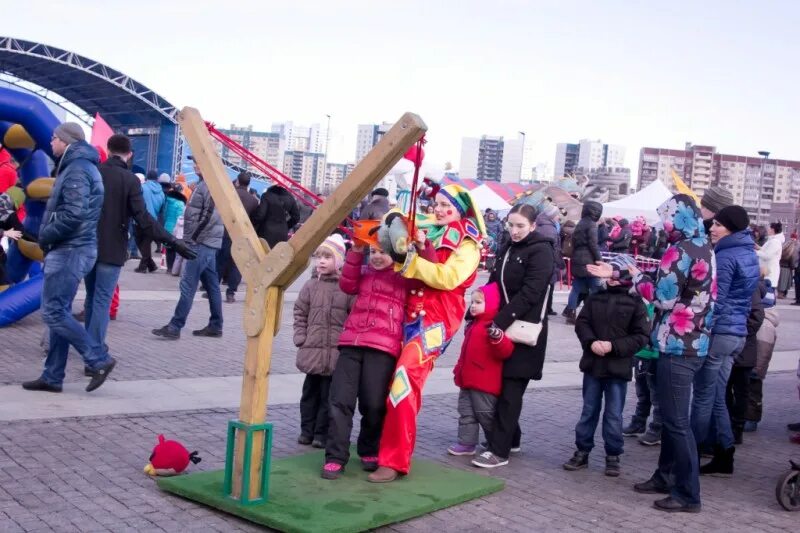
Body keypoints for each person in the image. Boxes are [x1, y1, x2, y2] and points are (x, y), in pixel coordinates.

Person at [588, 194, 715, 513]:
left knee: (675, 422)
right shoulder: (703, 245)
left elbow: (662, 297)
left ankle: (688, 493)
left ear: (679, 218)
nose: (664, 223)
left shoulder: (681, 249)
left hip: (677, 344)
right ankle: (665, 476)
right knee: (675, 419)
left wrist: (632, 274)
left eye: (668, 217)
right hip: (695, 342)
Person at [368, 184, 486, 482]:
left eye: (447, 206)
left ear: (460, 209)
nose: (440, 210)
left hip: (436, 319)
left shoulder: (469, 243)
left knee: (404, 379)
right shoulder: (429, 228)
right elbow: (395, 215)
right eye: (437, 204)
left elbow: (448, 278)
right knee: (383, 380)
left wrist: (411, 260)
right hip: (405, 312)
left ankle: (394, 461)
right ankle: (376, 449)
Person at [22, 122, 116, 393]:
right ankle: (52, 376)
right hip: (75, 248)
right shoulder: (82, 166)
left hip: (70, 249)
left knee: (52, 311)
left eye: (54, 138)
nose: (51, 143)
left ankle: (98, 359)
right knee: (59, 311)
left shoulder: (76, 168)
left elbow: (73, 213)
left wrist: (46, 234)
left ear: (66, 141)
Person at [86, 134, 194, 362]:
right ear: (130, 154)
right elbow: (144, 219)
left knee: (91, 297)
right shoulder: (130, 180)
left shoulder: (94, 172)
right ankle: (93, 353)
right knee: (101, 301)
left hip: (88, 245)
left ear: (108, 149)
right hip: (113, 248)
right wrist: (173, 242)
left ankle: (89, 346)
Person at [472, 204, 554, 469]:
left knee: (511, 389)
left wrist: (499, 320)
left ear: (532, 226)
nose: (515, 231)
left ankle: (500, 449)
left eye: (521, 226)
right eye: (511, 225)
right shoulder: (508, 246)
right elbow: (495, 281)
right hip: (504, 327)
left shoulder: (542, 250)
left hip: (524, 330)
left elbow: (532, 292)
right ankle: (510, 438)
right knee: (503, 386)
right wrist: (476, 307)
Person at [322, 243, 408, 479]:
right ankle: (335, 457)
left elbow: (426, 275)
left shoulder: (404, 275)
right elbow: (347, 283)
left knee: (373, 403)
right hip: (352, 343)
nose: (377, 257)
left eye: (383, 252)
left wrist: (420, 246)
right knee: (340, 400)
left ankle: (369, 448)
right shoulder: (364, 274)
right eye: (374, 252)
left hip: (382, 347)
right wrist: (357, 252)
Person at [564, 257, 649, 476]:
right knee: (589, 410)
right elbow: (582, 323)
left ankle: (613, 454)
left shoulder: (635, 302)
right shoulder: (595, 298)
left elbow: (641, 336)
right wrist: (591, 342)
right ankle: (582, 450)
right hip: (593, 364)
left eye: (614, 273)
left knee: (613, 414)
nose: (610, 278)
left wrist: (614, 347)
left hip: (618, 367)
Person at [693, 205, 759, 477]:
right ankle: (725, 453)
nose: (712, 228)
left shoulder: (726, 256)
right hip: (737, 334)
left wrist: (700, 323)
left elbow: (717, 299)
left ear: (731, 227)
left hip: (721, 333)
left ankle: (689, 454)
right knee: (718, 395)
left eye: (718, 224)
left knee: (703, 397)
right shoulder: (747, 252)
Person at [151, 159, 224, 340]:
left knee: (188, 284)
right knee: (211, 284)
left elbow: (209, 217)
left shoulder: (210, 186)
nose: (195, 166)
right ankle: (216, 324)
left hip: (201, 242)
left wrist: (192, 239)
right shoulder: (208, 184)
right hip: (207, 242)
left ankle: (175, 326)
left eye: (199, 162)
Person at [293, 234, 351, 449]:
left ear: (339, 261)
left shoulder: (346, 287)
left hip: (335, 352)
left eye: (327, 257)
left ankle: (321, 432)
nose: (321, 261)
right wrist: (301, 336)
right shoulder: (310, 286)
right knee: (309, 394)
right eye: (319, 257)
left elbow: (352, 313)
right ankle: (306, 430)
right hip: (312, 350)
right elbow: (300, 311)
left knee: (329, 396)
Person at [447, 283, 514, 457]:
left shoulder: (493, 326)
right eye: (472, 302)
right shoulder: (473, 325)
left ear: (491, 304)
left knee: (486, 415)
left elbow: (505, 351)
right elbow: (465, 351)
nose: (473, 306)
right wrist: (458, 369)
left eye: (478, 302)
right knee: (466, 413)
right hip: (467, 379)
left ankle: (496, 443)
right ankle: (466, 443)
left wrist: (498, 339)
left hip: (484, 383)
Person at [726, 286, 764, 445]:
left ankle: (737, 428)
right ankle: (727, 426)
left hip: (743, 348)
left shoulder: (750, 286)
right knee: (724, 390)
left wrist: (738, 330)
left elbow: (757, 315)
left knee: (741, 391)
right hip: (731, 346)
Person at [622, 303, 662, 446]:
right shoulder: (644, 303)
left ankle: (657, 428)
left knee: (656, 395)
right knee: (642, 392)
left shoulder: (662, 304)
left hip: (656, 355)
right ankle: (639, 422)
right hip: (641, 353)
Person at [217, 172, 259, 303]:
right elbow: (254, 219)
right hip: (242, 234)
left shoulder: (231, 194)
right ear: (249, 183)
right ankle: (231, 292)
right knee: (237, 264)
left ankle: (213, 289)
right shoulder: (253, 200)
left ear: (237, 182)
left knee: (221, 260)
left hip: (227, 231)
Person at [745, 270, 778, 432]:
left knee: (754, 383)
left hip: (759, 344)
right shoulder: (764, 289)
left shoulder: (764, 325)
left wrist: (757, 369)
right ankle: (749, 416)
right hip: (758, 343)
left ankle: (751, 418)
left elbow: (763, 352)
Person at [563, 201, 603, 323]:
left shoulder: (580, 223)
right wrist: (599, 259)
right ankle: (592, 314)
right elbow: (593, 244)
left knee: (577, 288)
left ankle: (570, 312)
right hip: (588, 259)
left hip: (577, 258)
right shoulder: (591, 224)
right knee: (596, 288)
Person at [535, 204, 565, 316]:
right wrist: (560, 262)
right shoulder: (549, 229)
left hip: (541, 260)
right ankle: (546, 308)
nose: (558, 217)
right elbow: (554, 248)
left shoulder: (541, 224)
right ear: (552, 216)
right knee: (548, 286)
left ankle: (546, 307)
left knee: (544, 285)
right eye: (557, 214)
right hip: (548, 261)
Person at [134, 170, 166, 273]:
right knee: (146, 243)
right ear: (157, 179)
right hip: (153, 221)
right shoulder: (161, 192)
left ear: (147, 177)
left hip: (140, 219)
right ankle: (151, 265)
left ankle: (143, 267)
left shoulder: (143, 187)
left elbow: (136, 201)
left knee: (140, 243)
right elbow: (162, 208)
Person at [162, 183, 188, 272]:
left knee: (168, 248)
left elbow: (164, 214)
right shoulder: (180, 204)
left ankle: (169, 268)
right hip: (175, 229)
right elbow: (180, 218)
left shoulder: (167, 201)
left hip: (167, 226)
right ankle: (174, 268)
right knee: (175, 248)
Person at [756, 222, 784, 287]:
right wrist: (759, 248)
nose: (767, 230)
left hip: (769, 272)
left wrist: (755, 252)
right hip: (767, 271)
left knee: (768, 294)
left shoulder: (775, 242)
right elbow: (769, 251)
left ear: (772, 230)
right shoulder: (773, 240)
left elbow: (767, 256)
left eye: (768, 228)